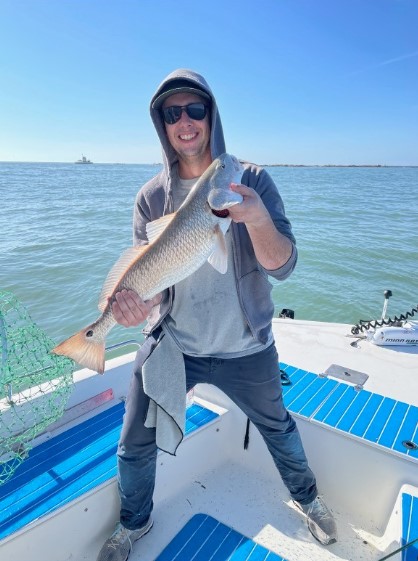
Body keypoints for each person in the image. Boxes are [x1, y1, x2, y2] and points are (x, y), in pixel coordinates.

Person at [97, 69, 337, 561]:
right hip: (175, 343)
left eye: (195, 110)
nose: (185, 121)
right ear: (161, 124)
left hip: (246, 346)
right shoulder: (149, 198)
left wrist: (256, 218)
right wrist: (126, 309)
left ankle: (308, 498)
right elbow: (148, 281)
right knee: (133, 442)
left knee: (278, 427)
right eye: (172, 113)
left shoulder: (250, 180)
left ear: (211, 115)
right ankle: (133, 525)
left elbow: (284, 266)